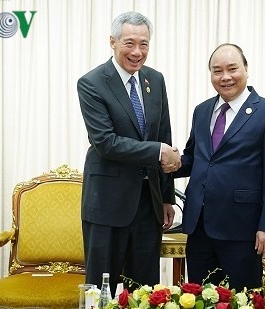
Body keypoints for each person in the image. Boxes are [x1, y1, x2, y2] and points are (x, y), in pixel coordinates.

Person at [77, 11, 181, 296]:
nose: (138, 52)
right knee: (101, 291)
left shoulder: (155, 80)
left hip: (148, 205)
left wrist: (167, 197)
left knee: (143, 290)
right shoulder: (92, 83)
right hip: (107, 203)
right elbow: (106, 142)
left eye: (144, 44)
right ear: (113, 42)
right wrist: (159, 150)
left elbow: (164, 136)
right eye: (130, 43)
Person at [172, 43, 265, 290]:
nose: (225, 77)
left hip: (242, 229)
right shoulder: (202, 111)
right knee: (199, 298)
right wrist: (170, 163)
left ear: (246, 69)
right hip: (199, 226)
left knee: (242, 299)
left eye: (232, 69)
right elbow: (195, 158)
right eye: (217, 71)